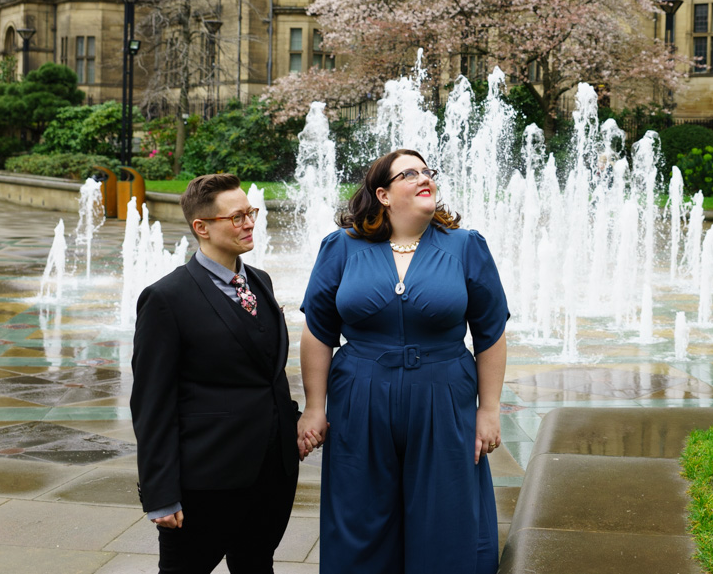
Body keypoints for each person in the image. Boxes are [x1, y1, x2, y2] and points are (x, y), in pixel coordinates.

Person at [298, 148, 509, 574]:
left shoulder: (466, 246)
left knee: (445, 515)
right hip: (359, 399)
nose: (424, 177)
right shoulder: (341, 247)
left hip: (443, 398)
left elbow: (491, 333)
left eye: (427, 171)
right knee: (360, 516)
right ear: (383, 194)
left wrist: (488, 411)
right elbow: (318, 331)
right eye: (409, 174)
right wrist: (315, 407)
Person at [130, 173, 301, 574]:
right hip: (206, 480)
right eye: (237, 217)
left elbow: (267, 374)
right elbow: (152, 404)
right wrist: (160, 493)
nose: (249, 223)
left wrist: (293, 425)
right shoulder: (166, 299)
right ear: (202, 227)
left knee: (257, 567)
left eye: (251, 213)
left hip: (271, 475)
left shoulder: (260, 281)